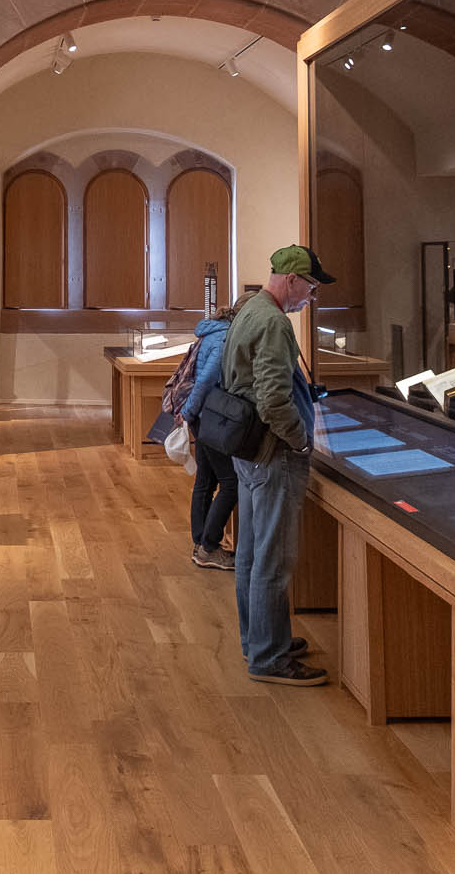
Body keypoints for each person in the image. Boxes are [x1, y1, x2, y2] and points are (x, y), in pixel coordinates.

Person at [223, 243, 333, 687]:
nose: (311, 296)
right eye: (310, 286)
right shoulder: (272, 321)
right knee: (272, 559)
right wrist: (302, 440)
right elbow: (273, 399)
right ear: (292, 281)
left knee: (251, 554)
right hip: (273, 454)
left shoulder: (250, 309)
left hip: (250, 453)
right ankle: (269, 658)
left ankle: (260, 640)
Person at [181, 305, 240, 570]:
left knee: (205, 480)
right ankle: (208, 547)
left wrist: (191, 413)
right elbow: (206, 381)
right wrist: (189, 411)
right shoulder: (226, 339)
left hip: (203, 417)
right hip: (213, 417)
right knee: (231, 483)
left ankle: (200, 544)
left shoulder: (210, 333)